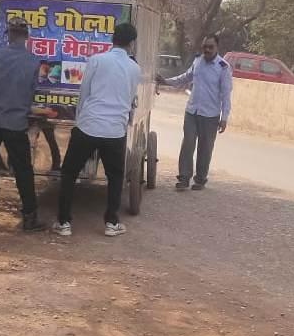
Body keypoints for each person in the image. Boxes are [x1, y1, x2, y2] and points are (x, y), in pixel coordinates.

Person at [53, 23, 141, 238]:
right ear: (131, 44)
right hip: (115, 131)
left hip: (89, 126)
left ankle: (64, 222)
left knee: (69, 173)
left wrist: (80, 120)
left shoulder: (96, 60)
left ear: (112, 39)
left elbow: (84, 94)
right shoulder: (134, 68)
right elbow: (129, 100)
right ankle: (111, 223)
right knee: (115, 177)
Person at [0, 16, 45, 231]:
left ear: (9, 35)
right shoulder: (33, 61)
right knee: (23, 169)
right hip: (14, 122)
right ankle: (30, 217)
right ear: (26, 37)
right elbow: (32, 91)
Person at [157, 34, 232, 191]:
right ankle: (184, 178)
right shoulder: (198, 61)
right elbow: (185, 78)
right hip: (192, 111)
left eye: (211, 47)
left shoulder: (223, 67)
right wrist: (166, 81)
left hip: (210, 115)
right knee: (188, 144)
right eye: (205, 46)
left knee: (205, 148)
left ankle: (200, 179)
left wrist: (224, 118)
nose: (207, 50)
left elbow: (226, 95)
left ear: (217, 48)